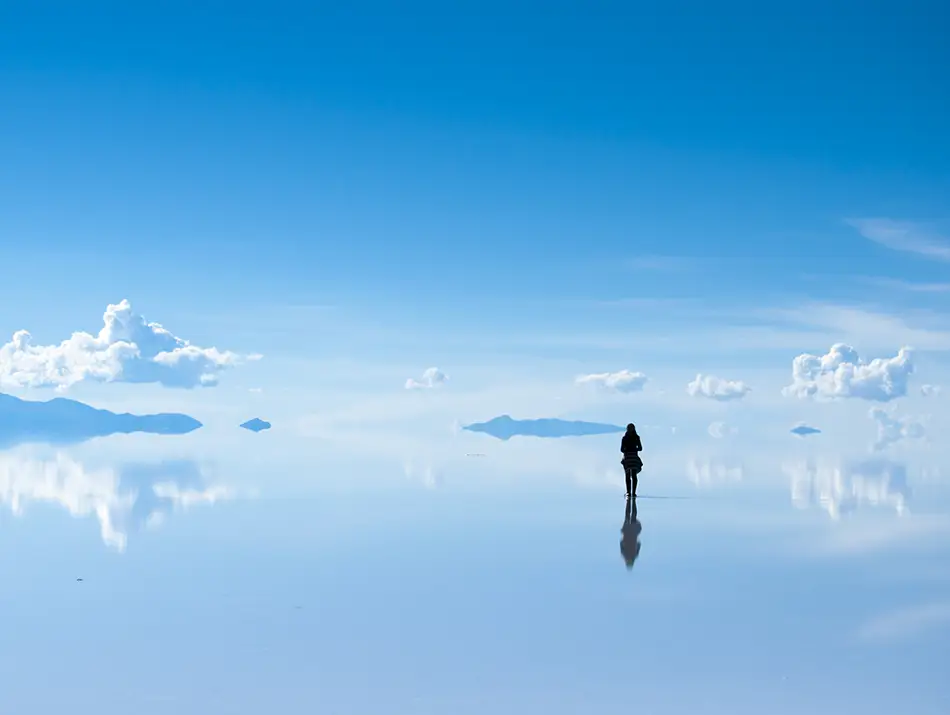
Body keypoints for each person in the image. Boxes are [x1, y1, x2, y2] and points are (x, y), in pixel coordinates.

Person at [620, 423, 643, 497]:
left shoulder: (624, 438)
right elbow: (640, 448)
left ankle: (628, 492)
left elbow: (621, 449)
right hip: (634, 457)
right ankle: (634, 493)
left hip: (627, 458)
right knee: (634, 475)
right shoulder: (637, 437)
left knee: (627, 475)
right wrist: (634, 449)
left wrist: (627, 450)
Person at [620, 495, 642, 569]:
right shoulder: (633, 554)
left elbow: (622, 544)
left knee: (629, 516)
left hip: (629, 534)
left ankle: (630, 498)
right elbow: (638, 545)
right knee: (630, 516)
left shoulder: (627, 554)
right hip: (631, 534)